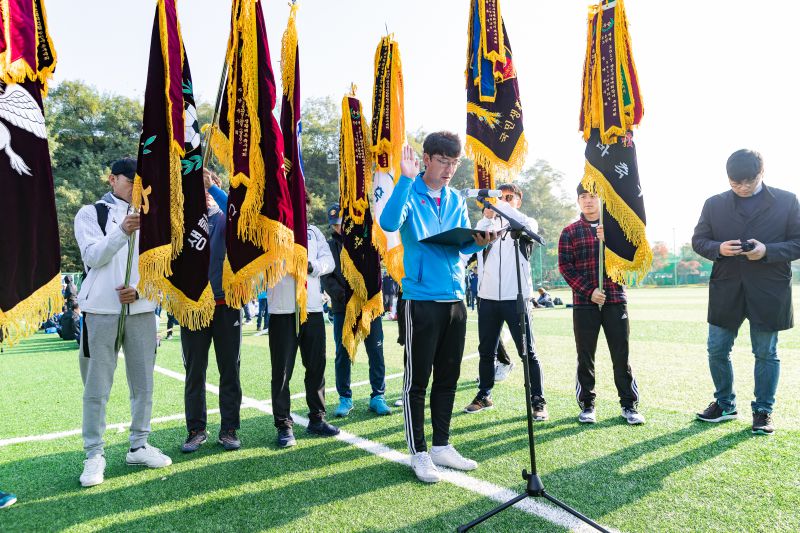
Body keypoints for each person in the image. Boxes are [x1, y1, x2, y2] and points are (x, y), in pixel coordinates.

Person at [380, 132, 495, 483]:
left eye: (454, 162)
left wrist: (478, 243)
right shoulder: (410, 191)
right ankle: (419, 452)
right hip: (421, 299)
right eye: (442, 161)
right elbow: (387, 224)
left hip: (455, 298)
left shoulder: (456, 199)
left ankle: (443, 445)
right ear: (426, 159)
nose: (448, 169)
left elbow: (459, 249)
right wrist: (403, 178)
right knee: (418, 381)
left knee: (449, 377)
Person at [73, 158, 171, 488]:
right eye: (130, 181)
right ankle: (94, 454)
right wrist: (122, 231)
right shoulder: (91, 213)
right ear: (112, 179)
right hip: (100, 312)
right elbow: (92, 256)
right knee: (97, 387)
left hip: (142, 311)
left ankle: (139, 445)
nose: (136, 188)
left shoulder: (153, 215)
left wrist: (141, 291)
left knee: (143, 383)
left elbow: (159, 265)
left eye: (139, 182)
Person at [692, 149, 800, 435]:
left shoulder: (787, 201)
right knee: (716, 348)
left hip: (770, 288)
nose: (741, 187)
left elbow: (798, 242)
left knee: (766, 352)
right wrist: (718, 249)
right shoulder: (713, 204)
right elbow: (698, 240)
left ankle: (763, 411)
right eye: (734, 183)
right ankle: (724, 403)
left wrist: (767, 251)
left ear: (761, 173)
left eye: (747, 182)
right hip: (726, 286)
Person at [558, 183, 645, 426]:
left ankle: (629, 404)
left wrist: (612, 242)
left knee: (621, 355)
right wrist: (589, 291)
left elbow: (631, 261)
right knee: (585, 355)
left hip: (615, 300)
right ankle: (587, 404)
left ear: (601, 199)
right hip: (584, 304)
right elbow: (566, 267)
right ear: (578, 201)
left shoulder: (616, 230)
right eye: (583, 196)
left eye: (593, 196)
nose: (588, 201)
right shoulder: (570, 232)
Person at [464, 183, 548, 420]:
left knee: (527, 352)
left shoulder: (526, 224)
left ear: (518, 201)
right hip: (488, 299)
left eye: (509, 198)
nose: (503, 201)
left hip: (516, 299)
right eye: (500, 197)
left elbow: (523, 224)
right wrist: (487, 216)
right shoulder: (486, 225)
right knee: (485, 351)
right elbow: (470, 246)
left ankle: (538, 400)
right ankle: (484, 394)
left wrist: (498, 204)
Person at [180, 169, 243, 453]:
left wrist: (213, 188)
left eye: (209, 186)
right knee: (195, 372)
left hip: (225, 305)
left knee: (229, 369)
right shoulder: (184, 219)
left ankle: (229, 429)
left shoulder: (226, 218)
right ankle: (196, 429)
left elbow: (239, 213)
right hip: (193, 307)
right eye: (200, 187)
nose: (204, 191)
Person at [268, 209, 339, 448]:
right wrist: (284, 263)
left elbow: (329, 262)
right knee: (282, 371)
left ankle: (317, 418)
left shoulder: (314, 232)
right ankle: (283, 425)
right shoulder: (272, 231)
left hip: (312, 309)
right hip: (283, 311)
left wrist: (310, 266)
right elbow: (261, 264)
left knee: (317, 366)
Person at [321, 204, 392, 419]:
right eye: (335, 224)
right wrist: (347, 298)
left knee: (375, 351)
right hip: (344, 308)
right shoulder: (329, 246)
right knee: (343, 354)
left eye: (342, 222)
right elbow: (326, 278)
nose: (339, 227)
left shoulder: (366, 239)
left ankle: (377, 396)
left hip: (370, 306)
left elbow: (376, 266)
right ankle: (345, 397)